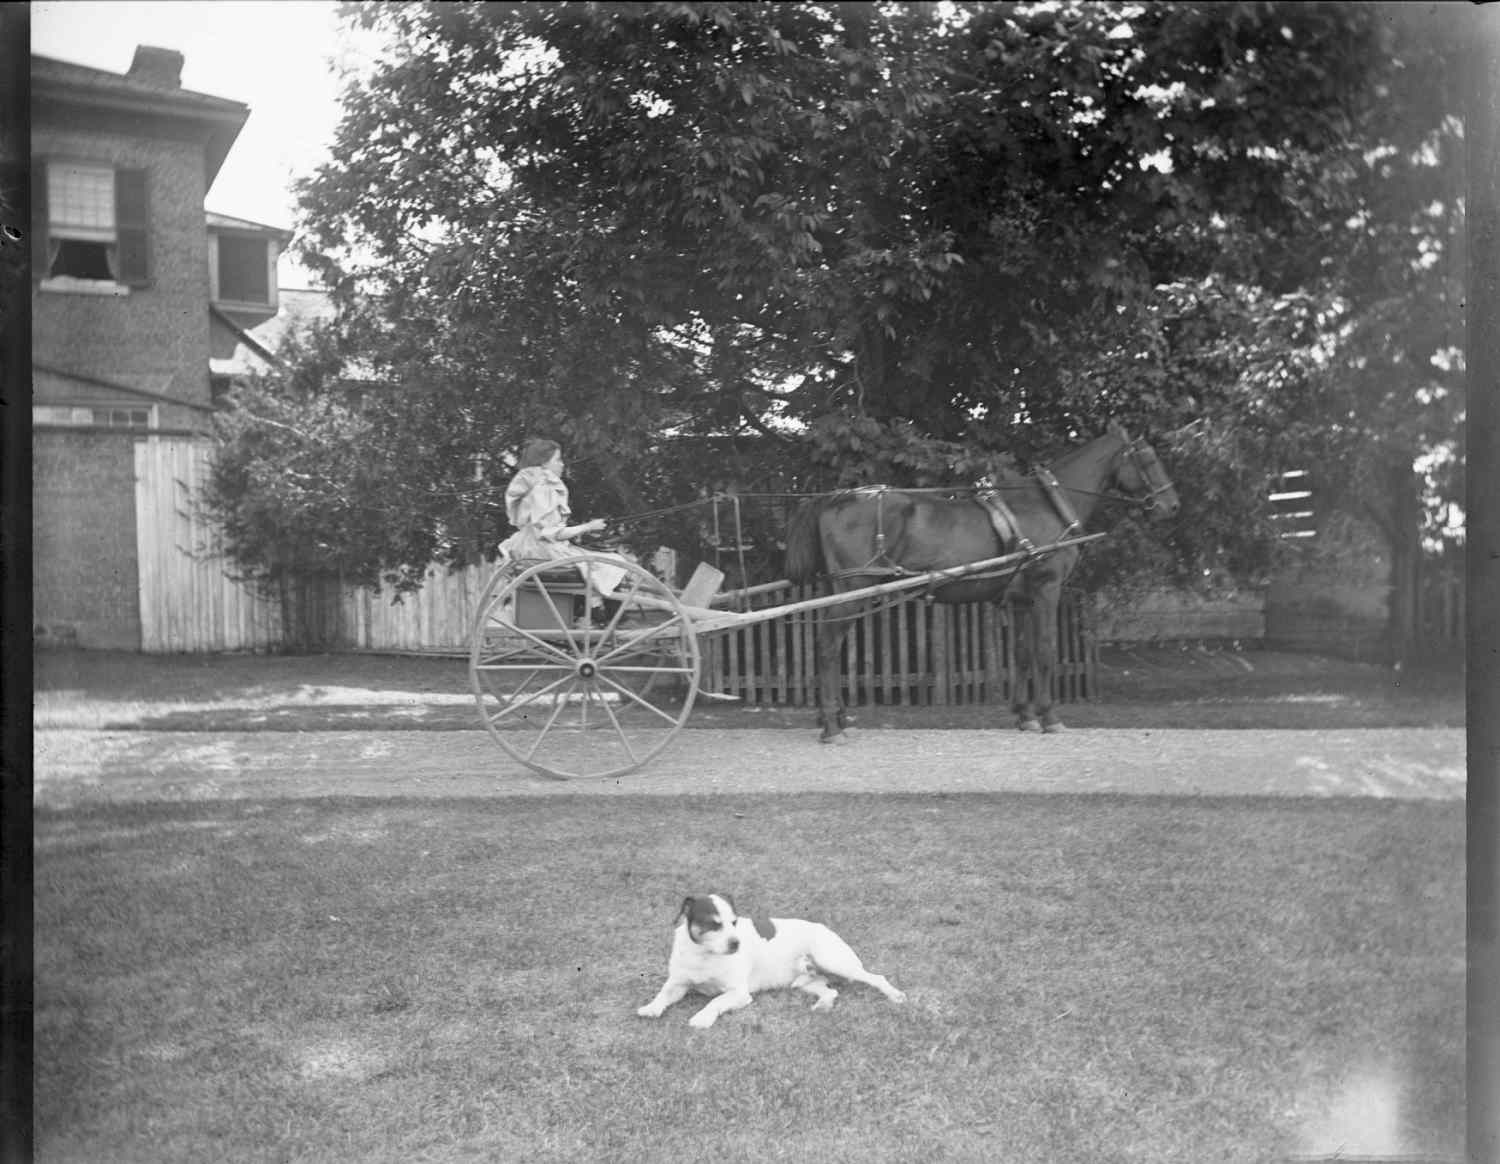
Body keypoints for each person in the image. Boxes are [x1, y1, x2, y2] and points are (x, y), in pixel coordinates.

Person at [497, 438, 628, 606]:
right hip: (545, 551)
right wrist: (588, 527)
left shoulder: (536, 485)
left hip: (531, 547)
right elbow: (550, 533)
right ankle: (608, 618)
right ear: (543, 464)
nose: (562, 465)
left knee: (595, 563)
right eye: (558, 460)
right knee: (613, 562)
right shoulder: (545, 489)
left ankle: (587, 611)